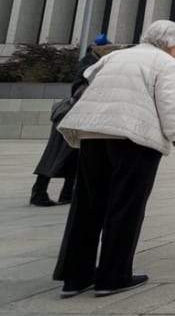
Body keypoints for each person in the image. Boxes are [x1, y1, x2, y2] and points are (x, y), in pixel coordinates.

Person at [54, 21, 175, 298]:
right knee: (126, 205)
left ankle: (75, 277)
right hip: (133, 137)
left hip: (93, 132)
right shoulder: (166, 63)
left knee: (88, 205)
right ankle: (112, 276)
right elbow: (168, 101)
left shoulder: (116, 55)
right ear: (170, 43)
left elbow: (90, 75)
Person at [30, 34, 116, 207]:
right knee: (55, 155)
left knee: (75, 156)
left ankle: (68, 193)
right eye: (106, 49)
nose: (109, 52)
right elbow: (78, 90)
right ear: (95, 48)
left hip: (79, 116)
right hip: (70, 116)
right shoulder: (90, 65)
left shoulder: (95, 63)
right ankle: (39, 192)